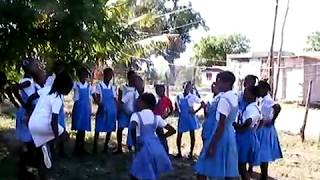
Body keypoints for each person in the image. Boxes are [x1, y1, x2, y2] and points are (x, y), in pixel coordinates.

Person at [194, 71, 239, 180]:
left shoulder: (224, 99)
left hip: (220, 135)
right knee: (226, 167)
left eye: (219, 81)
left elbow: (221, 124)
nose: (217, 83)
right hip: (229, 135)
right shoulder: (234, 96)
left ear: (226, 83)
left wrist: (213, 145)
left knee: (204, 166)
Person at [28, 72, 73, 179]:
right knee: (65, 136)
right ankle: (48, 147)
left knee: (42, 155)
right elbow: (54, 122)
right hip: (44, 125)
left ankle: (44, 155)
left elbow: (31, 98)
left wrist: (27, 109)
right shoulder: (57, 99)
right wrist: (57, 139)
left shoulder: (46, 89)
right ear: (64, 88)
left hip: (32, 124)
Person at [130, 93, 176, 180]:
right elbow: (172, 130)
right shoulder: (156, 118)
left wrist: (135, 142)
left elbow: (133, 127)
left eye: (139, 101)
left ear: (143, 103)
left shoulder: (136, 115)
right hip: (155, 146)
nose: (137, 103)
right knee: (152, 170)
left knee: (136, 172)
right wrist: (161, 138)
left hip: (142, 146)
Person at [233, 86, 261, 180]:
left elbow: (249, 120)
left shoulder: (252, 107)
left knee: (241, 166)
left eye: (246, 93)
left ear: (253, 95)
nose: (244, 94)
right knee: (240, 166)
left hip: (245, 137)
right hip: (243, 136)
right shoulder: (248, 106)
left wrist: (239, 127)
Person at [256, 81, 282, 180]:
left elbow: (277, 107)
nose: (258, 90)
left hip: (265, 129)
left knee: (264, 153)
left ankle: (264, 175)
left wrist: (272, 120)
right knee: (260, 152)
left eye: (259, 88)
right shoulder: (261, 99)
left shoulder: (268, 99)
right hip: (261, 128)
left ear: (265, 89)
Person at [175, 81, 204, 159]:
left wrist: (195, 111)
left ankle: (191, 153)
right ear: (183, 87)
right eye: (186, 86)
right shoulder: (179, 96)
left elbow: (203, 103)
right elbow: (177, 106)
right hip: (182, 117)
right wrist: (177, 111)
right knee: (179, 134)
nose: (187, 87)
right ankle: (179, 152)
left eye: (189, 86)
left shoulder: (192, 97)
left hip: (190, 117)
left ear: (191, 88)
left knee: (192, 134)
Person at [92, 68, 117, 153]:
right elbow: (97, 98)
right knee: (98, 127)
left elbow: (114, 99)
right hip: (103, 108)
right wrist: (100, 104)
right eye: (108, 75)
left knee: (109, 128)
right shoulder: (99, 86)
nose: (109, 77)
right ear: (104, 75)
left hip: (111, 110)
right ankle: (95, 147)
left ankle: (105, 146)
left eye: (111, 75)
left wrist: (116, 109)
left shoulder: (112, 87)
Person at [72, 67, 92, 156]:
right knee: (79, 128)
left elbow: (90, 97)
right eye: (82, 75)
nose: (83, 76)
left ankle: (82, 147)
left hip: (86, 108)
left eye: (85, 75)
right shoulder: (76, 85)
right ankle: (77, 147)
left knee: (83, 129)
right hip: (79, 108)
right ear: (78, 76)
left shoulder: (89, 86)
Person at [115, 70, 136, 154]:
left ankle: (130, 146)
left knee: (132, 129)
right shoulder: (122, 87)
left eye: (134, 77)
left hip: (133, 112)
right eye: (132, 77)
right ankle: (119, 147)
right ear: (128, 77)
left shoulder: (136, 88)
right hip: (123, 111)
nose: (133, 79)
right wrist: (118, 110)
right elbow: (119, 99)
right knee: (120, 128)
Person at [153, 84, 174, 153]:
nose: (158, 92)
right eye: (157, 90)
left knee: (163, 135)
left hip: (160, 121)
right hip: (152, 121)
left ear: (164, 90)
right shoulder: (154, 99)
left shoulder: (167, 99)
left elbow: (171, 109)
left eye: (160, 90)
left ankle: (165, 151)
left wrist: (166, 116)